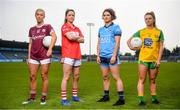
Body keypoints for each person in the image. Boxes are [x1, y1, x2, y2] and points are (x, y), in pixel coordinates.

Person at [127, 11, 164, 106]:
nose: (147, 20)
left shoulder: (159, 32)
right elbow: (128, 41)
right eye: (146, 19)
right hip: (143, 59)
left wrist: (159, 60)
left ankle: (154, 98)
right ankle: (141, 100)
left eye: (149, 18)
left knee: (153, 79)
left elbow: (161, 47)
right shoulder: (141, 32)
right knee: (141, 79)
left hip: (154, 60)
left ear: (154, 19)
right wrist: (132, 48)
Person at [22, 8, 57, 105]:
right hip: (33, 56)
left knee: (44, 76)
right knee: (32, 76)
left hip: (45, 56)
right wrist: (29, 57)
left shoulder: (48, 26)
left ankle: (43, 98)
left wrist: (50, 48)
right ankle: (32, 98)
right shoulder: (31, 29)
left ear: (44, 16)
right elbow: (30, 43)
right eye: (37, 14)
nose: (39, 16)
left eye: (41, 14)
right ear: (35, 15)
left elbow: (54, 36)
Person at [97, 8, 125, 106]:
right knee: (105, 77)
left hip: (111, 56)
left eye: (108, 15)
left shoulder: (116, 27)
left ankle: (121, 99)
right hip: (102, 57)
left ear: (112, 16)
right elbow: (99, 43)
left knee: (116, 77)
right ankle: (106, 96)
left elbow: (117, 42)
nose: (106, 17)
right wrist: (98, 55)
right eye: (104, 15)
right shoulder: (100, 29)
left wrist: (114, 55)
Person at [60, 9, 84, 106]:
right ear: (66, 17)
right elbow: (70, 38)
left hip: (77, 55)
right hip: (68, 55)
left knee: (76, 77)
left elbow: (83, 40)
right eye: (69, 15)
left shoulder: (77, 28)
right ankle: (64, 99)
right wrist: (76, 37)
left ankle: (75, 96)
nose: (71, 17)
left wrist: (74, 36)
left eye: (73, 15)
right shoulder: (64, 26)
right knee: (66, 77)